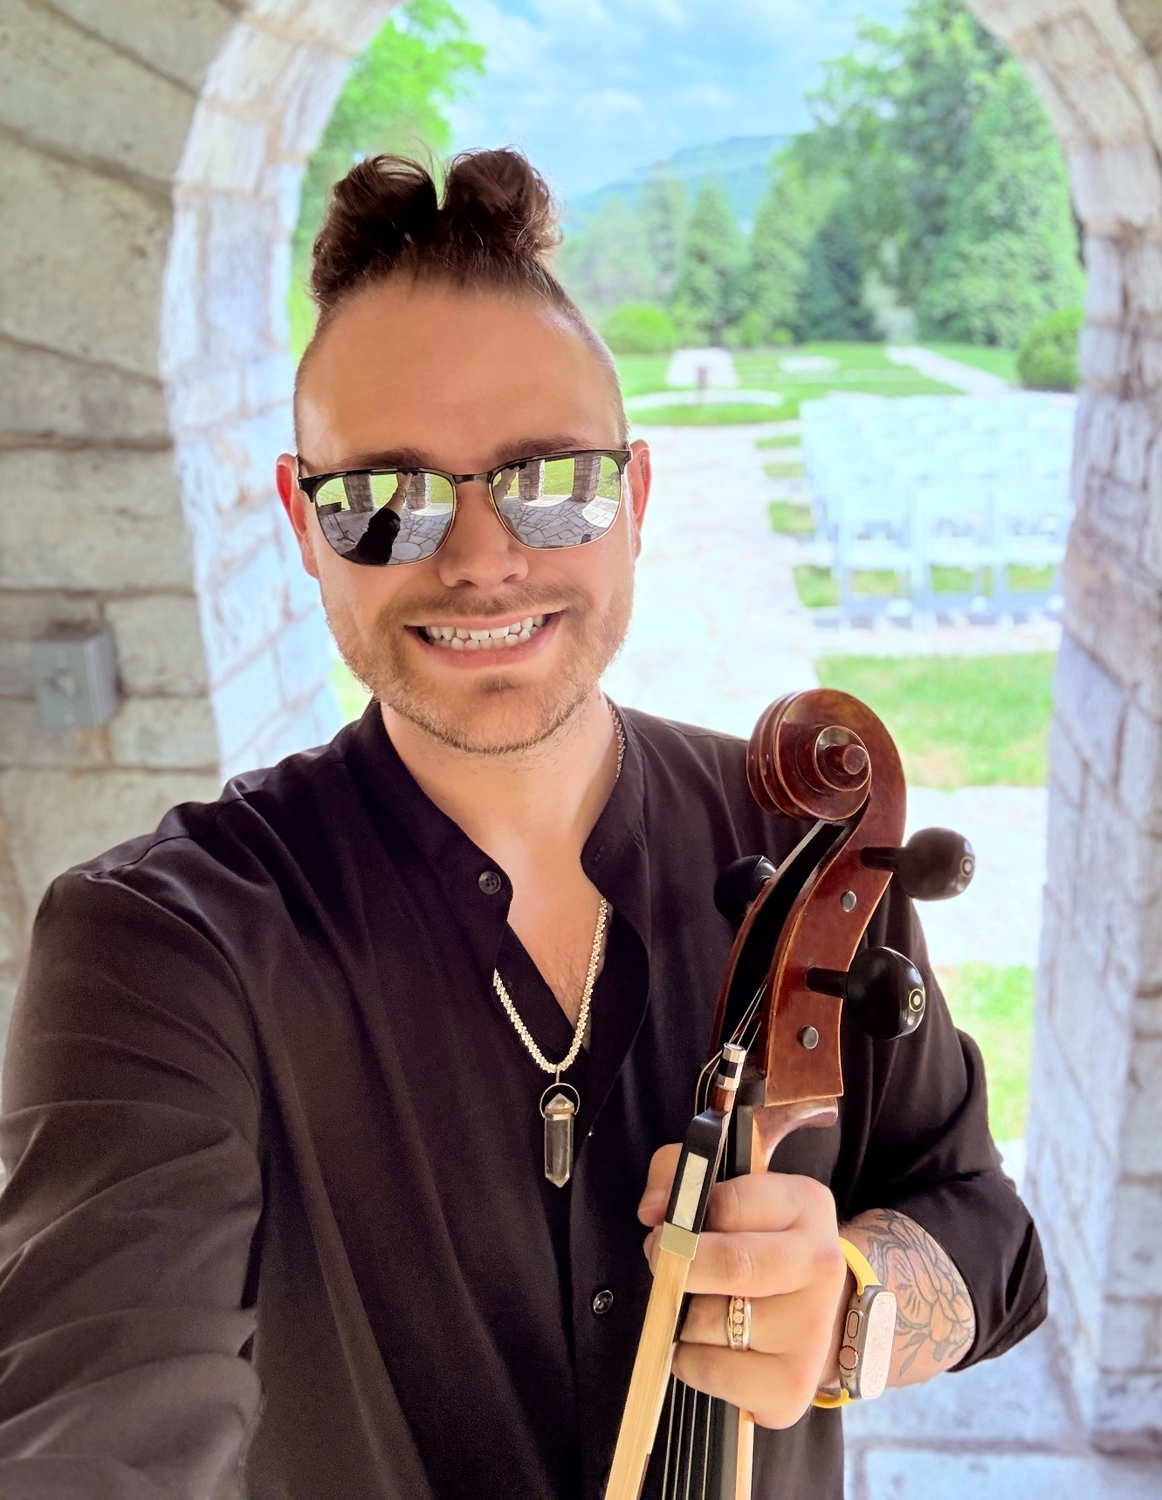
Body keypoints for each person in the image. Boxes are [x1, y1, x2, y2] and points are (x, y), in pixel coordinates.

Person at [0, 150, 1046, 1500]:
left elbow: (991, 1237)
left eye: (548, 479)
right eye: (385, 500)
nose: (482, 558)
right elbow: (95, 1400)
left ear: (638, 497)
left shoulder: (811, 848)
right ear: (305, 526)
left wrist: (851, 1306)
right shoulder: (158, 944)